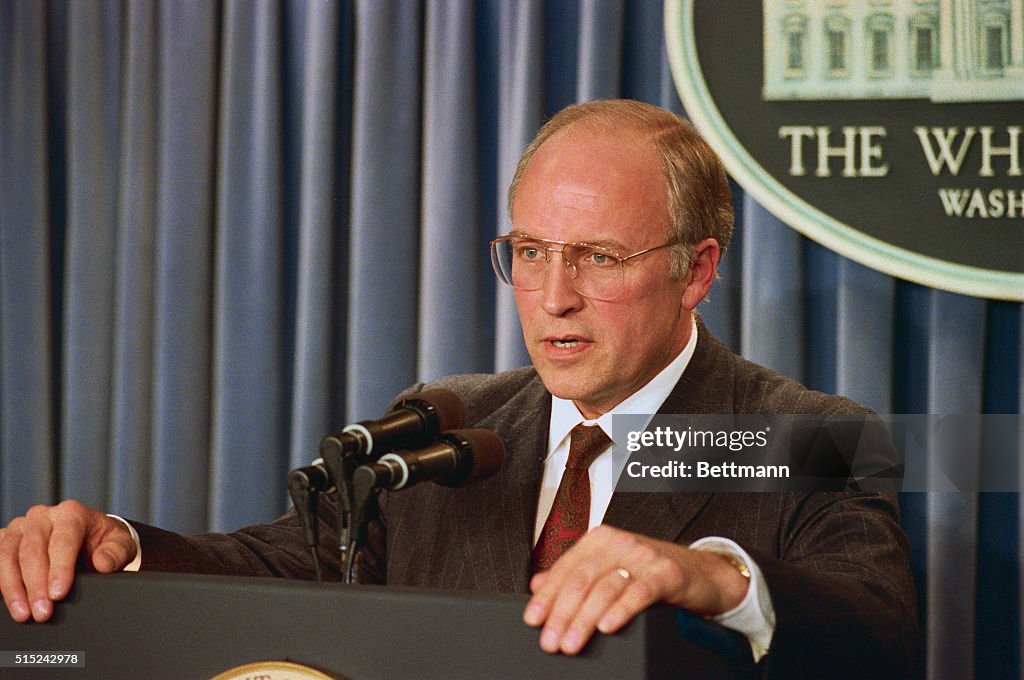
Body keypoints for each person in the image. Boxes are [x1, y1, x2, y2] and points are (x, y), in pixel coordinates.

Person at [0, 100, 917, 676]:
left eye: (598, 256)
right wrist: (119, 548)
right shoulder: (452, 420)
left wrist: (712, 578)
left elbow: (877, 636)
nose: (553, 296)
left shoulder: (808, 433)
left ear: (698, 269)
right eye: (529, 253)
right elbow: (292, 565)